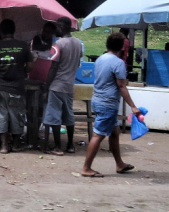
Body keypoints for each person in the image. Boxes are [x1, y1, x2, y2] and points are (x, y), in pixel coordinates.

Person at [81, 32, 142, 177]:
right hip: (107, 103)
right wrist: (133, 106)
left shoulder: (101, 59)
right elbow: (121, 86)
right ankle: (86, 168)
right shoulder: (118, 63)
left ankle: (119, 164)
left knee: (114, 133)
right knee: (98, 135)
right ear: (122, 47)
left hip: (98, 99)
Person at [0, 19, 35, 154]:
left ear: (1, 31)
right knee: (17, 116)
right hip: (17, 88)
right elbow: (30, 67)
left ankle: (4, 146)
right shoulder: (23, 46)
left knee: (1, 116)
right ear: (14, 31)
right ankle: (16, 145)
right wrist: (20, 69)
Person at [43, 16, 83, 155]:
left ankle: (58, 147)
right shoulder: (78, 43)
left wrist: (47, 85)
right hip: (69, 85)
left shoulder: (58, 45)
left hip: (57, 85)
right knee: (68, 115)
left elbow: (53, 67)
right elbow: (77, 63)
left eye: (57, 27)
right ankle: (70, 145)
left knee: (54, 117)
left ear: (60, 27)